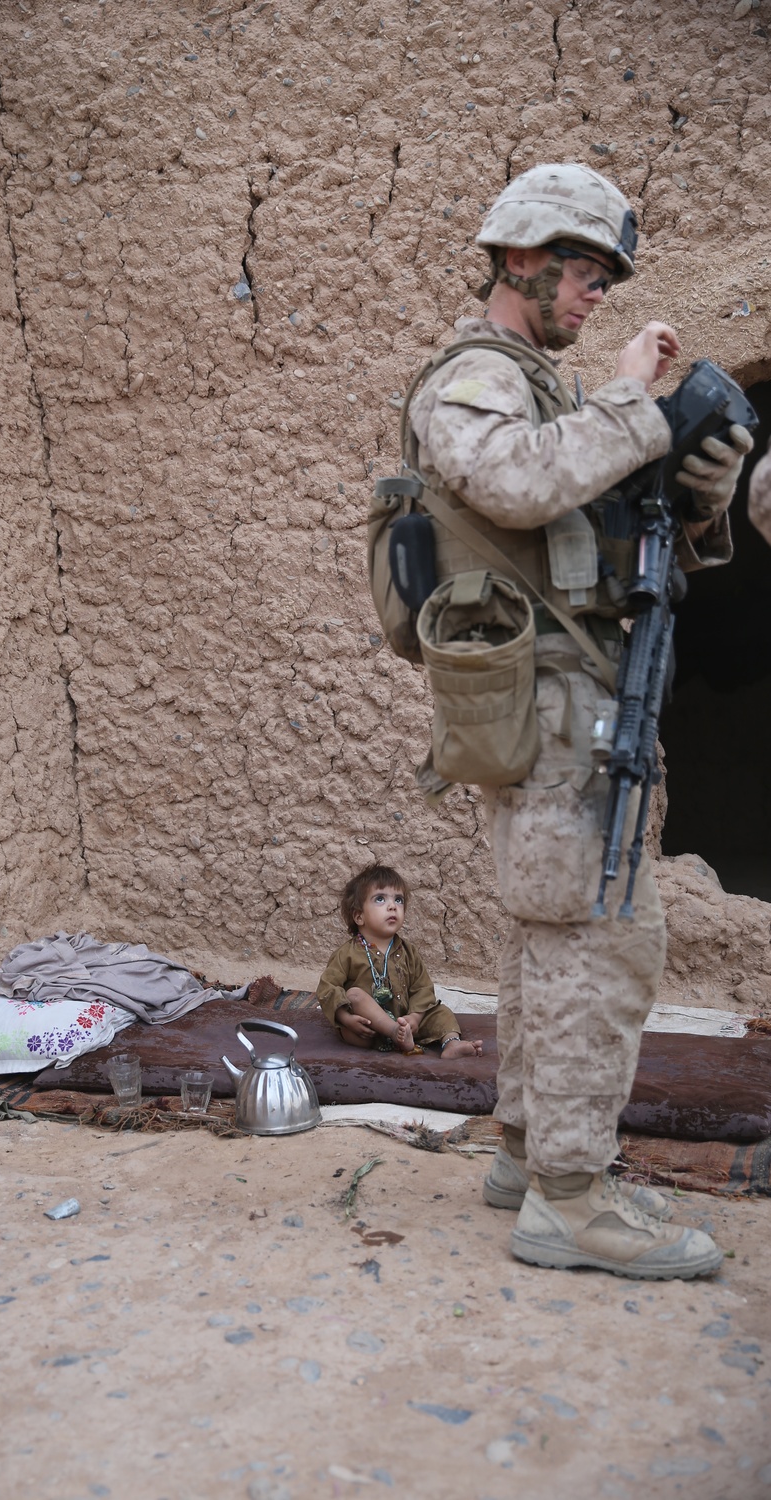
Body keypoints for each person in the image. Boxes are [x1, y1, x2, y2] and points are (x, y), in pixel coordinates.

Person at [406, 163, 752, 1279]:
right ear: (520, 257)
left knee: (552, 937)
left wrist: (693, 488)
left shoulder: (543, 389)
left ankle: (526, 1154)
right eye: (585, 271)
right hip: (550, 710)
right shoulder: (475, 377)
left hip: (579, 700)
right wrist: (631, 405)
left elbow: (589, 535)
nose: (597, 294)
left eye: (606, 278)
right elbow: (510, 484)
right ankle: (570, 1199)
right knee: (599, 943)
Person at [316, 863, 483, 1059]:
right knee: (354, 996)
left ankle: (452, 1043)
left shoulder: (409, 952)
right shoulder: (347, 953)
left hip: (406, 1022)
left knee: (440, 1011)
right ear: (359, 916)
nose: (392, 906)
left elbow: (422, 989)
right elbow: (327, 988)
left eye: (398, 899)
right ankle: (394, 1032)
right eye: (380, 899)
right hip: (368, 1028)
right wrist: (346, 1019)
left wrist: (415, 1017)